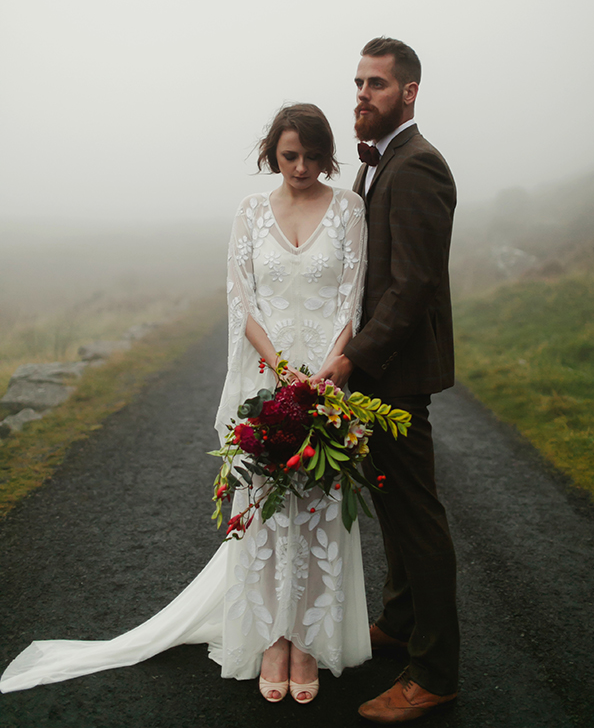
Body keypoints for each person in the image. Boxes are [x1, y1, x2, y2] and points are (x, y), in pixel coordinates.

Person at [0, 103, 371, 704]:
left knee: (320, 504)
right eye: (288, 156)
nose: (300, 167)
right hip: (265, 381)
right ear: (272, 155)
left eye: (310, 155)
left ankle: (308, 639)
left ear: (327, 153)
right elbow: (240, 302)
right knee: (269, 508)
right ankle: (272, 638)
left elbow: (354, 300)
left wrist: (328, 375)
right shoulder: (250, 213)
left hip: (328, 380)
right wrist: (279, 371)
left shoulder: (349, 208)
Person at [316, 38, 459, 722]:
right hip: (381, 371)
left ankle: (433, 671)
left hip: (395, 373)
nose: (361, 93)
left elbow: (413, 286)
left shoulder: (420, 165)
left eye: (376, 84)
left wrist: (352, 361)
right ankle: (400, 624)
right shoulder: (383, 163)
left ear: (408, 92)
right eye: (358, 82)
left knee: (418, 518)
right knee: (393, 509)